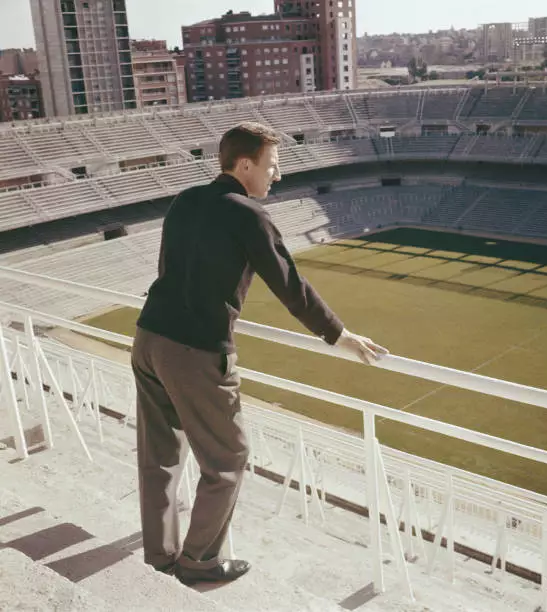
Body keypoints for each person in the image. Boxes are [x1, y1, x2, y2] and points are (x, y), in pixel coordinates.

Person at [131, 122, 388, 586]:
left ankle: (160, 556)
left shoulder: (185, 200)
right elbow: (290, 286)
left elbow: (171, 270)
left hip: (149, 338)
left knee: (160, 457)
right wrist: (340, 336)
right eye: (271, 166)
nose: (278, 174)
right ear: (244, 164)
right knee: (228, 459)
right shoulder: (248, 215)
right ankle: (199, 562)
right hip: (196, 351)